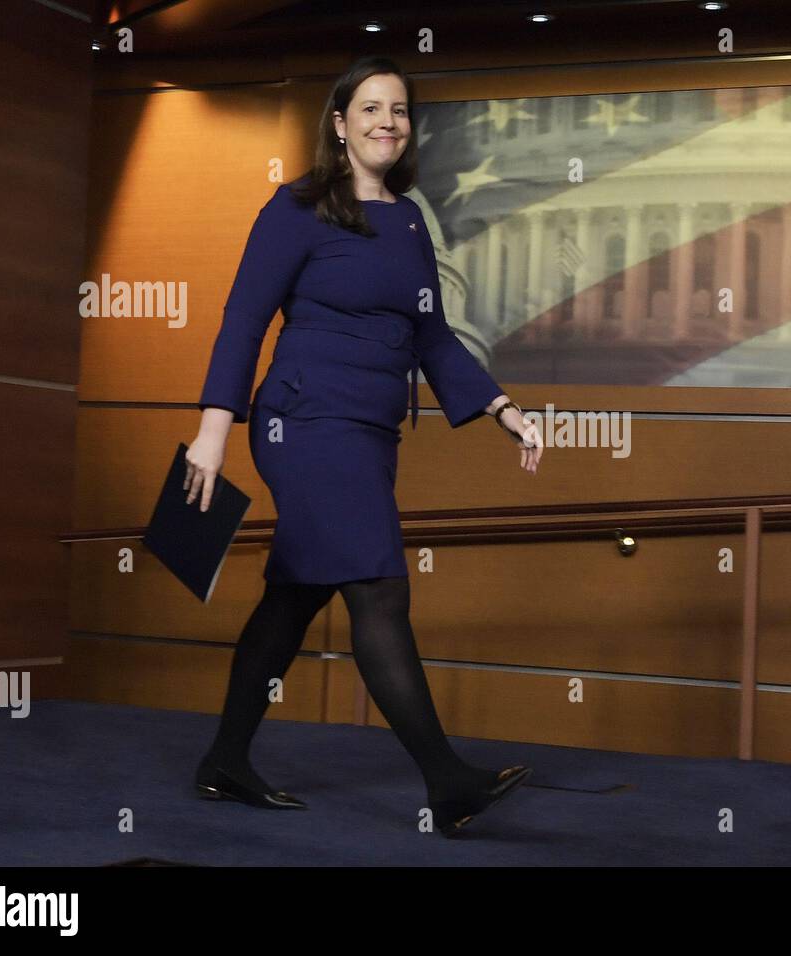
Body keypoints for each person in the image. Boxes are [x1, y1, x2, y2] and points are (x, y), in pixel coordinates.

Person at [182, 55, 543, 837]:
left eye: (401, 110)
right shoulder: (298, 206)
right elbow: (244, 320)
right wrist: (214, 433)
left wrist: (501, 406)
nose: (388, 121)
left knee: (296, 595)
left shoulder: (410, 218)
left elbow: (431, 334)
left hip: (370, 432)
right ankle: (446, 780)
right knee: (378, 586)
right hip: (304, 424)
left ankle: (224, 761)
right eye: (371, 108)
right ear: (339, 124)